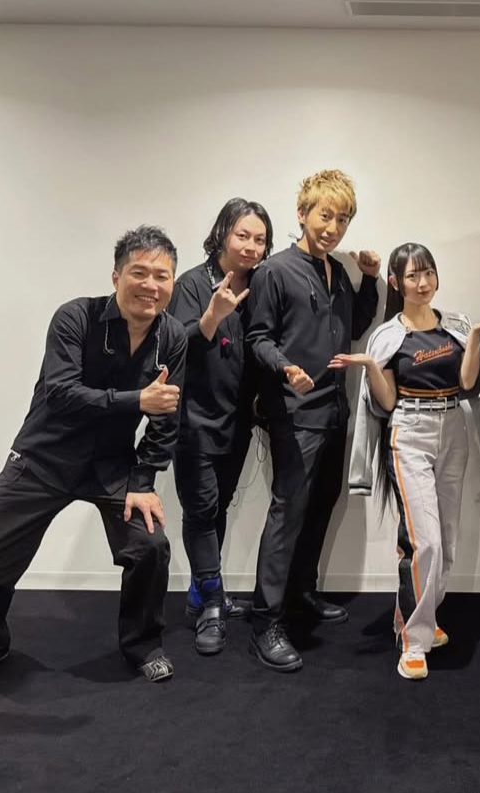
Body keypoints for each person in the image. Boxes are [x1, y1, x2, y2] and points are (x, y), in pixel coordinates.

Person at [0, 226, 187, 688]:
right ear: (116, 276)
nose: (151, 285)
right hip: (43, 458)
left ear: (172, 282)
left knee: (150, 548)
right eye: (140, 272)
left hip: (111, 466)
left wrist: (144, 481)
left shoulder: (172, 336)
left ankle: (142, 645)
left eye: (162, 276)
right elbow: (61, 393)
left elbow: (167, 414)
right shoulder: (76, 317)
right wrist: (136, 400)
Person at [336, 243, 480, 679]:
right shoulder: (387, 336)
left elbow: (468, 384)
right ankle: (414, 642)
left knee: (445, 541)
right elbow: (386, 401)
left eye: (428, 273)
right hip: (409, 433)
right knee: (424, 541)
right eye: (412, 276)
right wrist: (370, 366)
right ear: (396, 283)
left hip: (453, 428)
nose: (422, 283)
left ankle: (420, 617)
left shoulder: (456, 325)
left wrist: (475, 337)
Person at [245, 169, 380, 671]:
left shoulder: (337, 272)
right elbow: (257, 338)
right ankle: (265, 621)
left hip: (334, 410)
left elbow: (354, 325)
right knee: (288, 514)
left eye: (342, 219)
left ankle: (301, 592)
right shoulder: (275, 271)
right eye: (326, 215)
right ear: (302, 213)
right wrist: (285, 368)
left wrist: (369, 279)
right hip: (294, 413)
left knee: (321, 506)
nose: (333, 228)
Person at [168, 198, 273, 655]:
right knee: (199, 511)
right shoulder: (193, 284)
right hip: (194, 421)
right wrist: (212, 315)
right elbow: (173, 347)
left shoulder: (263, 285)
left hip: (238, 421)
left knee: (217, 508)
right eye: (242, 235)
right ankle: (212, 603)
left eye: (260, 239)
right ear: (223, 234)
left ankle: (201, 593)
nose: (251, 247)